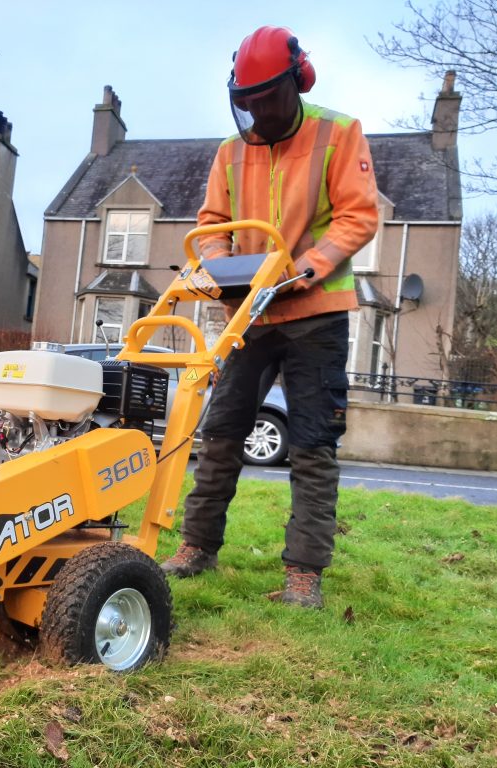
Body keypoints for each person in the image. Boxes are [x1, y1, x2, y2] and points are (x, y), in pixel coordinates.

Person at [160, 25, 379, 608]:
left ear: (297, 82)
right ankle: (196, 547)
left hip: (315, 311)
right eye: (247, 103)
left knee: (312, 442)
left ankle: (304, 576)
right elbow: (212, 222)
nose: (257, 114)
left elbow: (358, 217)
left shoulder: (339, 133)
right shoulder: (231, 152)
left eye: (267, 102)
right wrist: (223, 267)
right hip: (248, 315)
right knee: (222, 431)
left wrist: (307, 266)